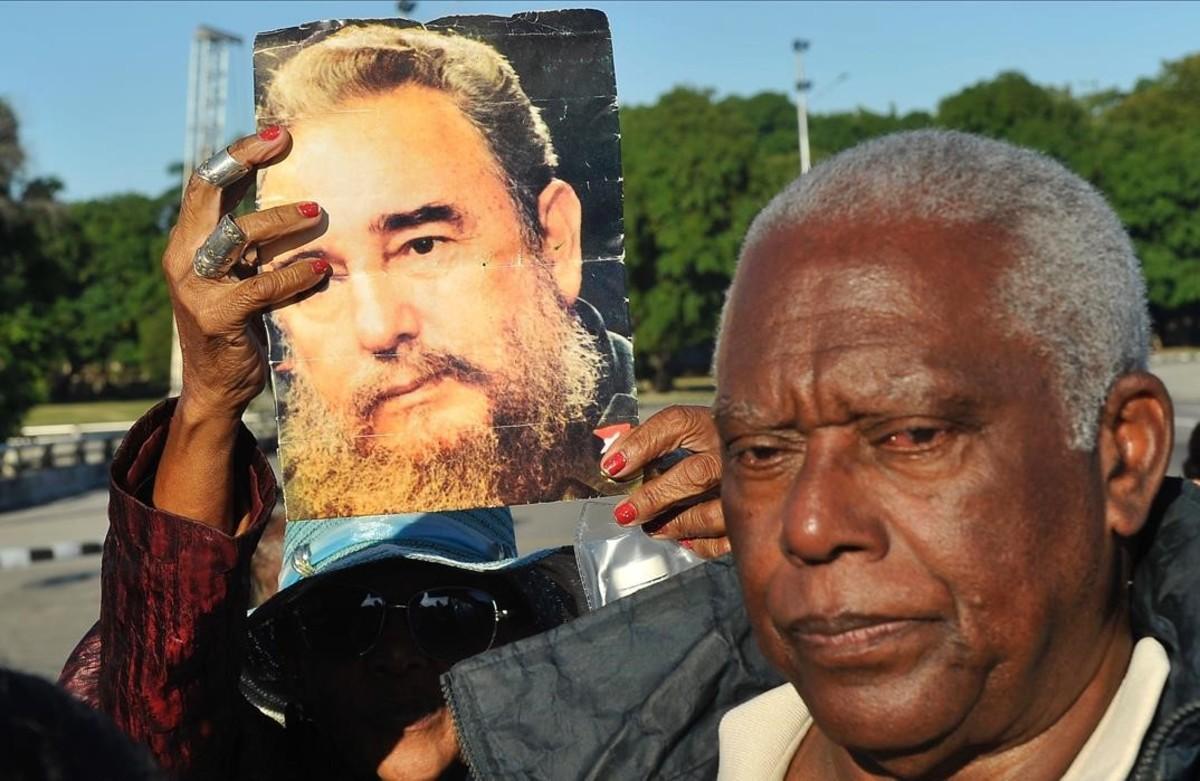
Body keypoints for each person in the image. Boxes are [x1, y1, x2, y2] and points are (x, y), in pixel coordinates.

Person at [423, 130, 1200, 780]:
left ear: (1123, 455)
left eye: (912, 437)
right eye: (762, 450)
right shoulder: (599, 748)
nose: (811, 524)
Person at [254, 23, 635, 517]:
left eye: (423, 245)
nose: (379, 329)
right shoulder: (258, 526)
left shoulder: (685, 475)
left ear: (553, 240)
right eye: (319, 279)